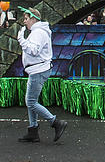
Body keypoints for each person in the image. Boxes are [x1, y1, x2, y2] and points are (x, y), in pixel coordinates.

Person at [15, 7, 67, 143]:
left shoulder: (38, 32)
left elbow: (34, 50)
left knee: (31, 102)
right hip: (36, 70)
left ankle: (55, 122)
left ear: (33, 18)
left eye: (26, 19)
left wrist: (21, 39)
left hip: (38, 70)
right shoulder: (38, 31)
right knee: (31, 101)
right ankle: (33, 131)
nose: (24, 22)